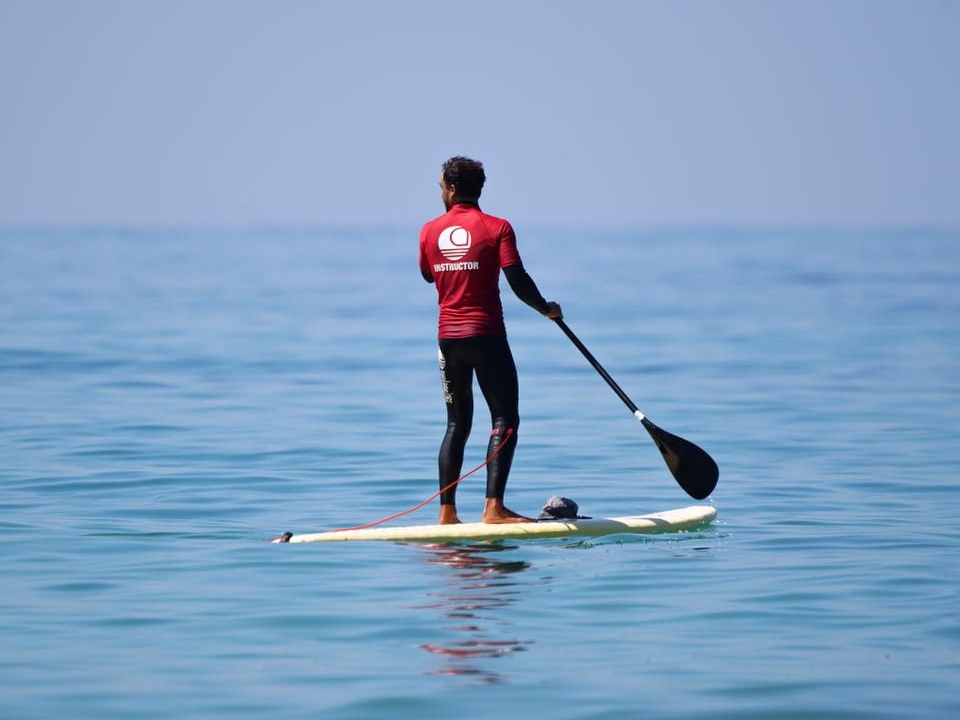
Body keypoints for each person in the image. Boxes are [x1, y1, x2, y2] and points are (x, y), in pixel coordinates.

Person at [418, 156, 563, 524]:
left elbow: (428, 276)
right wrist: (545, 308)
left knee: (456, 424)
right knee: (504, 418)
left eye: (440, 188)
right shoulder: (497, 227)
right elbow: (517, 280)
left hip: (448, 341)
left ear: (452, 189)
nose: (440, 193)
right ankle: (493, 508)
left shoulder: (428, 231)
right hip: (486, 336)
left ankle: (447, 515)